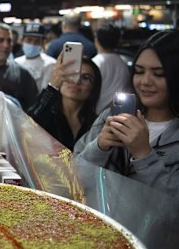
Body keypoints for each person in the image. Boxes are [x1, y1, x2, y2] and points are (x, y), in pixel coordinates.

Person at [74, 30, 179, 198]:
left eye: (159, 74)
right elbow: (74, 178)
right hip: (98, 221)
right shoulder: (112, 116)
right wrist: (99, 146)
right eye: (139, 71)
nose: (145, 81)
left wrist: (143, 154)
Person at [28, 55, 102, 150]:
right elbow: (27, 127)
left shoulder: (97, 124)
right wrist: (52, 86)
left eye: (86, 78)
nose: (76, 81)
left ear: (94, 87)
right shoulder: (46, 113)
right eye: (71, 75)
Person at [92, 23, 131, 112]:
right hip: (117, 112)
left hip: (96, 113)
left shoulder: (95, 63)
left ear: (97, 40)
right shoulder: (123, 64)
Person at [15, 22, 57, 92]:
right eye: (29, 40)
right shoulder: (16, 62)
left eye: (37, 41)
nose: (32, 44)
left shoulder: (50, 64)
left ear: (43, 43)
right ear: (22, 40)